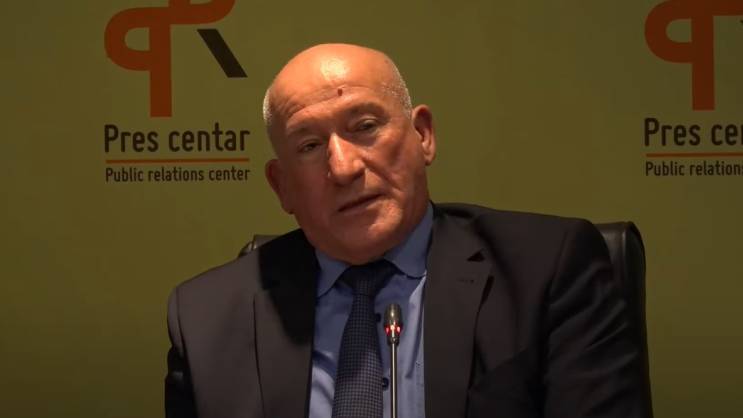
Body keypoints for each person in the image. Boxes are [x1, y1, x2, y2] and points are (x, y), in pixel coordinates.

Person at [165, 43, 648, 418]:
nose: (344, 167)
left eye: (365, 126)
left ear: (423, 136)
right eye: (309, 146)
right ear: (282, 186)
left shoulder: (546, 272)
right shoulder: (207, 318)